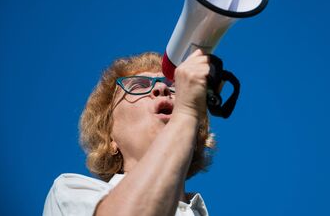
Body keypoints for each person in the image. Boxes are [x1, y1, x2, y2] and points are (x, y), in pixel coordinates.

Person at [43, 49, 215, 216]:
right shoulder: (71, 194)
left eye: (174, 87)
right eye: (138, 85)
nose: (162, 87)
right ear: (109, 137)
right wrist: (185, 113)